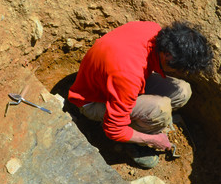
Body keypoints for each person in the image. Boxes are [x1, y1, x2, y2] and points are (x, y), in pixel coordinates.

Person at [67, 20, 213, 168]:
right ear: (168, 56)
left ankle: (143, 121)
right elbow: (114, 130)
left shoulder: (153, 30)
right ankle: (135, 140)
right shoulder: (128, 75)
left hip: (116, 82)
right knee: (159, 109)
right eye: (179, 69)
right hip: (92, 101)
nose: (178, 73)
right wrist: (152, 140)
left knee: (182, 91)